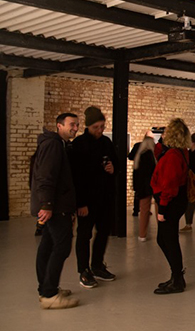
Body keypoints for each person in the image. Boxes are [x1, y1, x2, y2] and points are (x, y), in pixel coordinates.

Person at [32, 112, 80, 309]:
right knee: (61, 246)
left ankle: (46, 288)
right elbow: (46, 176)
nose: (75, 128)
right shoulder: (53, 145)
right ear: (59, 125)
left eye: (77, 125)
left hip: (56, 204)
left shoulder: (57, 144)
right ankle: (50, 294)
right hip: (56, 206)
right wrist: (47, 205)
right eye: (71, 124)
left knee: (48, 244)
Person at [71, 106, 117, 288]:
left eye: (102, 126)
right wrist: (80, 203)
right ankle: (83, 270)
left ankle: (97, 265)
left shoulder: (106, 142)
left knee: (104, 232)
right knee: (84, 234)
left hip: (105, 198)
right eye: (96, 127)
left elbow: (116, 163)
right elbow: (76, 176)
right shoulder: (79, 144)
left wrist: (114, 169)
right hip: (87, 200)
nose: (100, 130)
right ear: (88, 126)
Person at [150, 118, 191, 294]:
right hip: (175, 201)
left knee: (169, 239)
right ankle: (176, 276)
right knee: (163, 238)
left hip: (171, 202)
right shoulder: (179, 151)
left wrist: (163, 209)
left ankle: (177, 279)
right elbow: (157, 152)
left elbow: (169, 185)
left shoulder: (173, 156)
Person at [128, 133, 156, 241]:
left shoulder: (139, 155)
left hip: (142, 187)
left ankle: (142, 235)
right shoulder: (152, 156)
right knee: (158, 209)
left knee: (144, 211)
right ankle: (161, 233)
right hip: (153, 185)